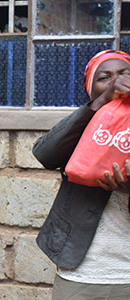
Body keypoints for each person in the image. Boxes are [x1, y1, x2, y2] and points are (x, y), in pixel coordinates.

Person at [33, 49, 130, 300]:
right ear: (91, 89)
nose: (117, 81)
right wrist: (102, 103)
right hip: (82, 272)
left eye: (124, 74)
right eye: (104, 78)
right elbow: (45, 154)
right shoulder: (82, 128)